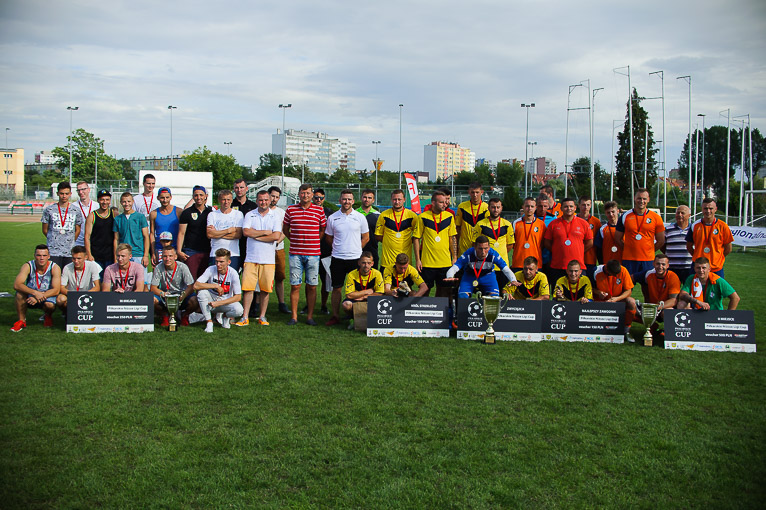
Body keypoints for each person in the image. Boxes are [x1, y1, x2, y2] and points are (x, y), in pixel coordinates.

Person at [234, 190, 282, 326]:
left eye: (266, 200)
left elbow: (276, 236)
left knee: (265, 290)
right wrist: (266, 233)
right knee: (248, 289)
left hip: (268, 260)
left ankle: (262, 316)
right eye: (261, 200)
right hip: (251, 258)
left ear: (269, 200)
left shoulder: (275, 216)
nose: (263, 202)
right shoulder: (250, 214)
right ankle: (245, 316)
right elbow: (246, 232)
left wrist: (256, 235)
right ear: (257, 201)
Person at [283, 183, 327, 326]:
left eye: (308, 193)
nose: (305, 195)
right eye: (303, 193)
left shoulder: (319, 210)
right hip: (295, 254)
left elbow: (323, 229)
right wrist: (294, 240)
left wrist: (314, 240)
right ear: (299, 194)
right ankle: (294, 316)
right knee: (295, 286)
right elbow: (285, 229)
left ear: (312, 194)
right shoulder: (291, 209)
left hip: (313, 254)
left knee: (312, 286)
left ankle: (310, 317)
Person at [324, 190, 370, 326]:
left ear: (353, 201)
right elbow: (328, 237)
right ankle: (335, 316)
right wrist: (338, 248)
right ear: (340, 201)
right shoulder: (332, 218)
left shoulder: (360, 217)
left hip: (355, 259)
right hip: (337, 258)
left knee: (357, 289)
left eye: (349, 199)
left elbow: (366, 237)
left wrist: (356, 249)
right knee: (337, 288)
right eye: (344, 199)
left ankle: (356, 316)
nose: (347, 202)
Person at [413, 190, 457, 299]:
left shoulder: (449, 216)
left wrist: (455, 257)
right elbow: (416, 238)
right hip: (427, 263)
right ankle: (423, 309)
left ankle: (440, 310)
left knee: (444, 292)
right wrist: (418, 260)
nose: (444, 204)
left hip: (445, 263)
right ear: (433, 203)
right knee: (424, 291)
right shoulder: (422, 217)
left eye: (445, 202)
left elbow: (452, 238)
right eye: (441, 202)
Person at [445, 235, 519, 298]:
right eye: (480, 249)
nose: (483, 252)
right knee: (462, 296)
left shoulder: (493, 254)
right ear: (475, 247)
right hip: (470, 276)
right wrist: (450, 276)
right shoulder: (469, 253)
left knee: (494, 298)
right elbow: (455, 267)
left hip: (488, 276)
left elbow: (506, 269)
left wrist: (513, 280)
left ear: (489, 247)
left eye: (486, 248)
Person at [614, 188, 665, 278]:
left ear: (648, 199)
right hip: (629, 259)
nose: (641, 201)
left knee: (648, 285)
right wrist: (627, 249)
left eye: (644, 199)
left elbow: (661, 240)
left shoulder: (656, 217)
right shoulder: (625, 216)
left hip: (648, 260)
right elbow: (617, 238)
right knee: (627, 284)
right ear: (634, 198)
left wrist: (650, 250)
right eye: (639, 198)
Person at [542, 197, 593, 285]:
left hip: (577, 267)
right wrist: (556, 250)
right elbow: (547, 242)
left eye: (571, 206)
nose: (569, 209)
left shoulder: (583, 223)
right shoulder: (553, 224)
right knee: (558, 292)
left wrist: (579, 250)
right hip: (558, 266)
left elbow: (590, 242)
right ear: (561, 208)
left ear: (575, 208)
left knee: (578, 292)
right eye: (566, 207)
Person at [11, 244, 61, 332]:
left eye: (44, 255)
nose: (41, 258)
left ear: (49, 256)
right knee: (19, 294)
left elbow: (56, 290)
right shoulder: (28, 265)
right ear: (34, 256)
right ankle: (22, 321)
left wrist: (38, 297)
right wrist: (35, 293)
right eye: (39, 255)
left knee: (50, 305)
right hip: (31, 294)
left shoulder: (55, 267)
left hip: (47, 295)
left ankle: (48, 316)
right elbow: (17, 285)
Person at [194, 248, 244, 333]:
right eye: (216, 261)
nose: (218, 264)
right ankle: (209, 322)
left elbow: (238, 297)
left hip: (224, 302)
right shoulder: (211, 269)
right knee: (201, 293)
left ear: (228, 262)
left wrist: (219, 303)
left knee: (239, 310)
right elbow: (196, 285)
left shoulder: (233, 273)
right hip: (211, 301)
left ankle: (225, 317)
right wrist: (215, 286)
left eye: (221, 262)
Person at [633, 253, 681, 341]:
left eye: (663, 264)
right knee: (631, 307)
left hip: (663, 308)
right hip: (651, 308)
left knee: (668, 312)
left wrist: (657, 307)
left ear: (668, 265)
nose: (660, 267)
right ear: (653, 264)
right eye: (658, 264)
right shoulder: (648, 274)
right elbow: (631, 278)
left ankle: (669, 333)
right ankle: (652, 326)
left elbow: (674, 300)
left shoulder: (673, 277)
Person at [150, 245, 198, 327]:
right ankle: (165, 315)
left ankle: (185, 315)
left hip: (181, 295)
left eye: (170, 256)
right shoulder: (158, 267)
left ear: (175, 257)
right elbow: (153, 288)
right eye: (165, 256)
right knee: (151, 300)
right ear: (162, 257)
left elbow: (191, 286)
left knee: (195, 300)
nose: (167, 259)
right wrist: (163, 294)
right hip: (166, 296)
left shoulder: (182, 267)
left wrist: (183, 296)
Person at [375, 189, 421, 272]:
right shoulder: (384, 215)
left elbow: (417, 236)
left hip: (405, 263)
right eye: (394, 199)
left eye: (399, 199)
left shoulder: (412, 216)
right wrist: (389, 241)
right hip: (387, 262)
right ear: (391, 200)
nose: (397, 202)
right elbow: (378, 235)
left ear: (404, 200)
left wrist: (408, 241)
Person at [473, 197, 515, 289]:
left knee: (502, 293)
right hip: (486, 265)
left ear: (501, 208)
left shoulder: (507, 224)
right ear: (488, 208)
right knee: (486, 293)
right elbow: (475, 244)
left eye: (498, 207)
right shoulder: (480, 224)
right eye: (493, 207)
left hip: (502, 266)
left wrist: (498, 255)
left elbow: (510, 245)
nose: (495, 210)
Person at [686, 198, 733, 278]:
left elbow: (728, 248)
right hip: (698, 267)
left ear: (715, 209)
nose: (708, 211)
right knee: (695, 286)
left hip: (716, 268)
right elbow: (689, 246)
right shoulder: (695, 225)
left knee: (716, 286)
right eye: (705, 208)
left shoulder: (723, 226)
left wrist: (717, 257)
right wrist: (697, 257)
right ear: (702, 209)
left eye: (711, 208)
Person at [41, 181, 83, 269]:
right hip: (53, 251)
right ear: (57, 193)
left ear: (70, 194)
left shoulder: (76, 210)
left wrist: (70, 240)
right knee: (54, 274)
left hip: (69, 251)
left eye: (66, 194)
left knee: (67, 275)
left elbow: (78, 229)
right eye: (61, 193)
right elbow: (45, 229)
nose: (64, 196)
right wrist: (53, 239)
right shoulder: (49, 210)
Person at [593, 259, 638, 337]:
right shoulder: (596, 271)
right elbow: (589, 288)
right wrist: (598, 292)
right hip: (601, 302)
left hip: (618, 301)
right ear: (607, 269)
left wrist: (617, 298)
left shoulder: (623, 270)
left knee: (631, 302)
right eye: (613, 275)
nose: (616, 276)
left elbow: (628, 291)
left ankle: (626, 328)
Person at [177, 185, 213, 279]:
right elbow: (181, 233)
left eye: (201, 195)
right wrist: (179, 250)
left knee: (204, 280)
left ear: (206, 196)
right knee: (190, 279)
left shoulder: (211, 212)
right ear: (193, 196)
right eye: (196, 195)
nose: (198, 197)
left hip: (207, 250)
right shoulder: (187, 213)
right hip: (191, 250)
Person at [56, 245, 101, 313]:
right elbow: (62, 287)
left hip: (88, 295)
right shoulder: (67, 268)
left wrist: (84, 295)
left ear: (85, 257)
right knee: (60, 299)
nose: (76, 261)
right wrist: (73, 295)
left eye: (79, 258)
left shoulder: (92, 266)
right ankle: (66, 313)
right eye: (74, 258)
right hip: (72, 295)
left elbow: (97, 287)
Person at [206, 189, 244, 271]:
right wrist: (228, 230)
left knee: (231, 278)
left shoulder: (238, 214)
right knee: (215, 277)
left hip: (233, 253)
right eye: (223, 199)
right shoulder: (212, 215)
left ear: (232, 200)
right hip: (215, 253)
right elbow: (210, 234)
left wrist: (217, 233)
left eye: (228, 199)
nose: (226, 202)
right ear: (219, 200)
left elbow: (238, 235)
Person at [112, 192, 150, 269]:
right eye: (124, 202)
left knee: (140, 276)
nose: (127, 204)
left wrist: (146, 255)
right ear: (121, 203)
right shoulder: (117, 219)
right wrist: (116, 257)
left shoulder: (140, 217)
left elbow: (146, 237)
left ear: (133, 202)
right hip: (123, 255)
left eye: (129, 201)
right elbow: (116, 239)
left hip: (138, 254)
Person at [84, 189, 115, 280]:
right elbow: (87, 237)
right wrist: (89, 254)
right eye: (102, 200)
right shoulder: (92, 216)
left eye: (107, 199)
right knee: (97, 281)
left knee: (109, 281)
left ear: (110, 201)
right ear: (98, 200)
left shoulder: (114, 214)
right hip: (96, 255)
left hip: (110, 255)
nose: (104, 202)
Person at [342, 252, 385, 316]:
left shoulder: (377, 274)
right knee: (346, 304)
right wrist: (367, 291)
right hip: (356, 299)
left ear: (372, 263)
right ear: (359, 263)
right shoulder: (352, 274)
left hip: (369, 298)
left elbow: (380, 293)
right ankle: (352, 317)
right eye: (363, 263)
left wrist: (364, 297)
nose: (366, 265)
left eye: (369, 263)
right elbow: (349, 295)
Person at [268, 186, 289, 314]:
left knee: (279, 277)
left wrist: (276, 242)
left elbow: (285, 231)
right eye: (272, 196)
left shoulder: (281, 212)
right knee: (262, 278)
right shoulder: (261, 211)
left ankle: (281, 303)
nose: (274, 199)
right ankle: (257, 304)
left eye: (277, 197)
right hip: (264, 250)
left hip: (278, 249)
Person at [313, 188, 334, 315]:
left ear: (324, 198)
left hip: (326, 251)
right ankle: (309, 305)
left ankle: (323, 305)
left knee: (326, 280)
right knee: (311, 281)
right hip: (311, 250)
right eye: (316, 197)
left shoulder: (329, 212)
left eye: (321, 198)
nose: (318, 200)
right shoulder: (309, 211)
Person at [511, 197, 546, 272]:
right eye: (527, 206)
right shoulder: (515, 223)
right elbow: (512, 243)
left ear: (535, 208)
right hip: (518, 263)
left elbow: (543, 243)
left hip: (536, 264)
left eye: (532, 206)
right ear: (523, 207)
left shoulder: (541, 224)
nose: (529, 208)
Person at [149, 187, 181, 266]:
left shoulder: (178, 211)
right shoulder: (154, 213)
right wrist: (153, 253)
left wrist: (180, 250)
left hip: (175, 248)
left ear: (171, 197)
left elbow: (182, 232)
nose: (165, 200)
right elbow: (152, 234)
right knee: (160, 271)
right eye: (162, 198)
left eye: (167, 197)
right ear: (158, 198)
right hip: (160, 249)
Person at [455, 182, 488, 256]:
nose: (475, 195)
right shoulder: (462, 207)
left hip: (481, 249)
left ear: (482, 192)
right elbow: (458, 228)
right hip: (464, 248)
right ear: (469, 192)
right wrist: (456, 246)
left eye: (477, 192)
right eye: (472, 192)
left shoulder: (486, 208)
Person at [662, 205, 693, 284]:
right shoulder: (668, 229)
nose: (680, 215)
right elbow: (662, 245)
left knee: (688, 290)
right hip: (672, 267)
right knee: (672, 290)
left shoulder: (693, 229)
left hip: (688, 267)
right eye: (678, 213)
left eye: (682, 213)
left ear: (689, 215)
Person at [232, 178, 257, 263]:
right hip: (233, 242)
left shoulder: (253, 206)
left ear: (246, 188)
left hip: (249, 243)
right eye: (236, 188)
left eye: (241, 187)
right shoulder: (230, 205)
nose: (239, 190)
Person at [577, 196, 602, 279]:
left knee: (589, 282)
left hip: (590, 258)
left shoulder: (596, 221)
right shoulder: (573, 219)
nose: (586, 207)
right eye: (583, 205)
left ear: (591, 206)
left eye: (588, 205)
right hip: (576, 257)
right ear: (579, 205)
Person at [356, 188, 381, 269]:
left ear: (373, 200)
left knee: (373, 274)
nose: (367, 200)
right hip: (357, 250)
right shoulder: (354, 214)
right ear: (361, 198)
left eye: (369, 198)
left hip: (373, 249)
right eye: (365, 197)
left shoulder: (378, 215)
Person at [535, 192, 557, 278]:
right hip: (534, 256)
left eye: (545, 206)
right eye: (540, 206)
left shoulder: (553, 219)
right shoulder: (529, 217)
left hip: (549, 257)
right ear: (536, 206)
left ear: (548, 206)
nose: (542, 209)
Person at [594, 201, 623, 265]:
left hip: (623, 263)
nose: (611, 214)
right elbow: (598, 249)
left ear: (617, 211)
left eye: (613, 212)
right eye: (608, 212)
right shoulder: (602, 229)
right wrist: (601, 263)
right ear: (605, 213)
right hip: (608, 264)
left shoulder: (625, 227)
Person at [73, 181, 94, 247]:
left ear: (89, 189)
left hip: (93, 242)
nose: (81, 192)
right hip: (78, 243)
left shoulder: (97, 206)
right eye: (78, 190)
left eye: (83, 189)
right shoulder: (73, 207)